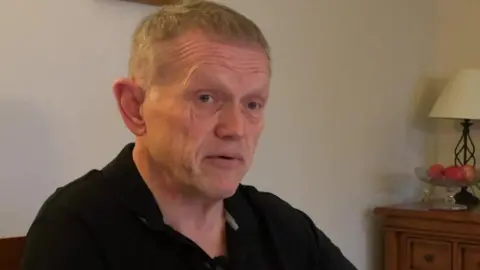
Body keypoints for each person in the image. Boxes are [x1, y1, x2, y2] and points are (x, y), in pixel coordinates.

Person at [21, 1, 357, 269]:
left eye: (253, 104)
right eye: (206, 98)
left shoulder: (280, 225)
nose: (236, 129)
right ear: (134, 107)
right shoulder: (75, 230)